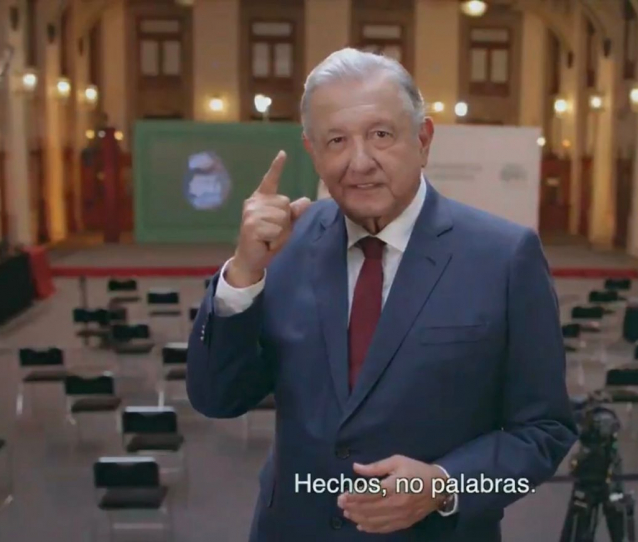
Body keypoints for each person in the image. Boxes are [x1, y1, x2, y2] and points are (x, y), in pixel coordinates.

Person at [186, 48, 577, 541]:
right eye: (336, 140)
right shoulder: (284, 244)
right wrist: (244, 272)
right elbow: (218, 399)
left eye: (381, 135)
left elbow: (545, 432)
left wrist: (446, 485)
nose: (359, 162)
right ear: (313, 152)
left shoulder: (504, 257)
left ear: (423, 140)